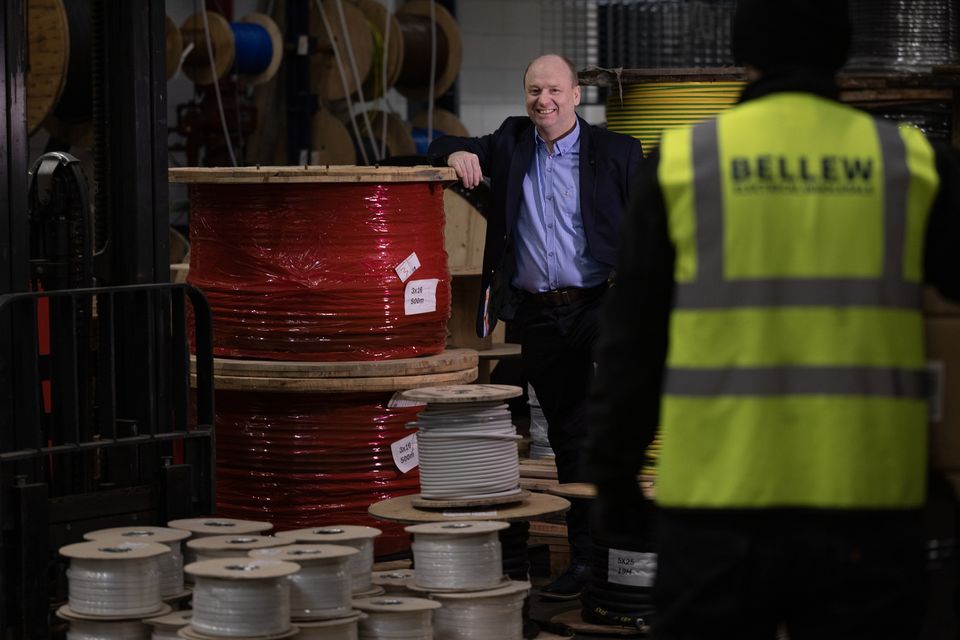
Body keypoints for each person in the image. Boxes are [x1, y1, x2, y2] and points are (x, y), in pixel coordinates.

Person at [584, 0, 960, 637]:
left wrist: (614, 480)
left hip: (717, 511)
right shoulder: (912, 165)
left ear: (744, 54)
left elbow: (632, 344)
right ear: (842, 53)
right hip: (867, 509)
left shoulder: (683, 163)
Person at [429, 54, 644, 598]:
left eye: (552, 90)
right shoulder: (511, 139)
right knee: (569, 437)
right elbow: (441, 149)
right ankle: (586, 565)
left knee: (606, 429)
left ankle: (625, 559)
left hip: (599, 303)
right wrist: (457, 151)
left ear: (575, 95)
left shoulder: (617, 153)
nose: (542, 100)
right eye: (532, 91)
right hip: (538, 314)